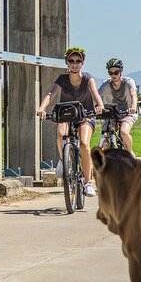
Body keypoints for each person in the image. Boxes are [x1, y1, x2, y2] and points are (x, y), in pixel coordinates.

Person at [36, 47, 104, 197]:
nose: (74, 64)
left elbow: (95, 92)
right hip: (66, 115)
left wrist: (99, 105)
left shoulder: (87, 78)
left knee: (85, 144)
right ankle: (62, 160)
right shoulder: (62, 79)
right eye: (71, 61)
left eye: (78, 61)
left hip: (86, 116)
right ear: (67, 62)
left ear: (82, 63)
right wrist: (41, 108)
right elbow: (50, 94)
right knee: (61, 134)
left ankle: (88, 183)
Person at [97, 58, 139, 155]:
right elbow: (97, 96)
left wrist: (133, 107)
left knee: (124, 132)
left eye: (116, 72)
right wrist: (96, 106)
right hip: (113, 113)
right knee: (106, 132)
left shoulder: (128, 82)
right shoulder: (106, 84)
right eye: (110, 73)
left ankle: (129, 153)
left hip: (127, 112)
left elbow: (134, 94)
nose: (113, 75)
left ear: (121, 72)